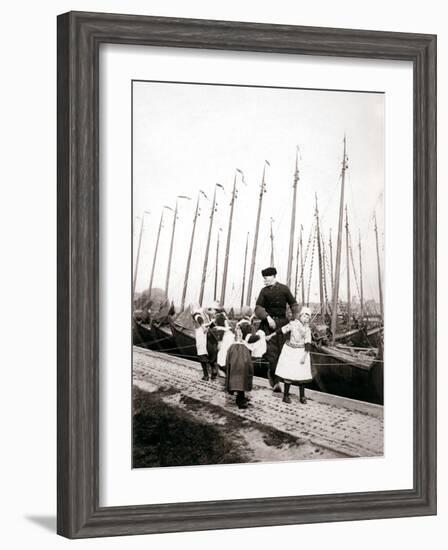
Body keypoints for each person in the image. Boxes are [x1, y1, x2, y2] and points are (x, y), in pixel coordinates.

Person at [254, 267, 299, 391]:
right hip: (268, 326)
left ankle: (283, 380)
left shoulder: (284, 289)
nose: (264, 280)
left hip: (283, 325)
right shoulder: (263, 291)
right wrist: (267, 318)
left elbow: (294, 305)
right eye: (263, 278)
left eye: (266, 278)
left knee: (283, 353)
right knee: (272, 355)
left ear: (273, 276)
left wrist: (295, 319)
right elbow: (258, 308)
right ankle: (275, 383)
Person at [267, 306, 313, 404]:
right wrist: (270, 335)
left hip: (301, 351)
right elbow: (281, 330)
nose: (306, 319)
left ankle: (302, 396)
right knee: (289, 373)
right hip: (291, 350)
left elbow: (308, 343)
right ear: (300, 316)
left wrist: (304, 356)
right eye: (305, 316)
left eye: (308, 317)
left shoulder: (307, 329)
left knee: (302, 375)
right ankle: (286, 395)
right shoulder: (293, 324)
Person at [225, 320, 257, 409]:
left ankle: (240, 396)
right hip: (240, 353)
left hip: (235, 351)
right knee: (242, 375)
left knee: (238, 375)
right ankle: (240, 401)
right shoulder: (244, 344)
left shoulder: (233, 344)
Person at [193, 312, 218, 381]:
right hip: (206, 344)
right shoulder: (204, 326)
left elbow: (200, 322)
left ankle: (206, 376)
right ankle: (213, 372)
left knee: (203, 361)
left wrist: (206, 325)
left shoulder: (197, 325)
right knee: (210, 359)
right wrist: (211, 323)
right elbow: (208, 326)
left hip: (201, 345)